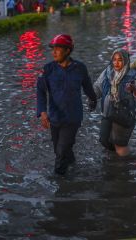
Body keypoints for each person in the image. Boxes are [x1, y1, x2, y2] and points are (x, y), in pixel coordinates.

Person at [36, 34, 97, 175]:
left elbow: (88, 87)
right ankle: (73, 167)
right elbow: (40, 91)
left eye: (58, 49)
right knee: (60, 150)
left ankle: (60, 186)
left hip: (72, 118)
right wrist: (43, 112)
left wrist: (93, 100)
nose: (54, 52)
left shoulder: (80, 68)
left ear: (68, 51)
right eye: (53, 49)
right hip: (55, 117)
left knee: (61, 152)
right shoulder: (48, 70)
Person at [93, 49, 136, 157]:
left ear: (126, 61)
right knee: (103, 139)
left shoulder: (132, 75)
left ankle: (123, 167)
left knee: (120, 144)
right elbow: (97, 87)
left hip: (125, 113)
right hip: (108, 112)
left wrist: (134, 89)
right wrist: (91, 96)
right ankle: (115, 159)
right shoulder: (107, 72)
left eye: (120, 60)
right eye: (114, 60)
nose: (116, 63)